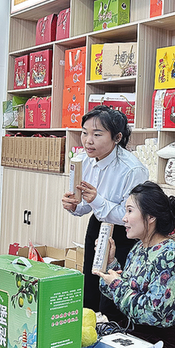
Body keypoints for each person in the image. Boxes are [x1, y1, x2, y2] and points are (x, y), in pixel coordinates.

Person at [62, 106, 149, 323]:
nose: (88, 141)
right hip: (98, 228)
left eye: (97, 134)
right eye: (85, 133)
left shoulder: (132, 169)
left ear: (117, 137)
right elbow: (86, 206)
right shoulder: (84, 160)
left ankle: (114, 333)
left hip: (125, 234)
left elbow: (133, 216)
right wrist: (74, 206)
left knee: (113, 293)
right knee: (90, 287)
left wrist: (96, 199)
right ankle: (88, 332)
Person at [94, 182, 175, 348]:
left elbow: (153, 312)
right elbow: (116, 292)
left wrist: (116, 285)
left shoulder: (168, 254)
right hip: (134, 333)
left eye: (130, 211)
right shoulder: (138, 248)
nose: (124, 218)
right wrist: (110, 262)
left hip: (160, 342)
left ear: (150, 217)